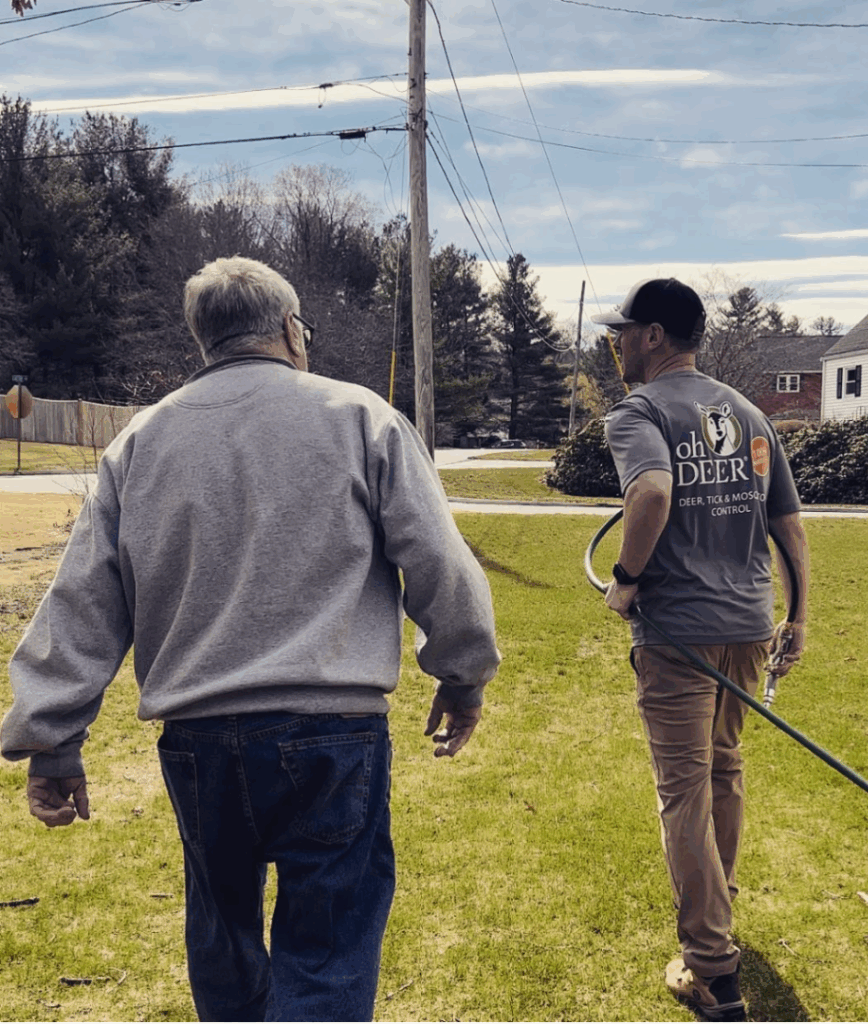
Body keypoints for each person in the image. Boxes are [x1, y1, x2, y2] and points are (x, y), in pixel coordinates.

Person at [1, 256, 501, 1023]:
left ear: (205, 342)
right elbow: (440, 563)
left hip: (200, 740)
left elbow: (84, 601)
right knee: (327, 954)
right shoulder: (359, 417)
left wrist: (54, 739)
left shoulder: (140, 442)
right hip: (333, 735)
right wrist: (462, 673)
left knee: (224, 941)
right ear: (291, 331)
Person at [592, 278, 809, 1023]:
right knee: (723, 769)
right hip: (749, 625)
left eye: (625, 331)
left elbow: (650, 493)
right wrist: (799, 617)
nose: (617, 343)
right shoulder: (748, 412)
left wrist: (625, 580)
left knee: (684, 789)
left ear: (654, 336)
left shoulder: (640, 411)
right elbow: (791, 526)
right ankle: (719, 909)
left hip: (679, 631)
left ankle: (712, 969)